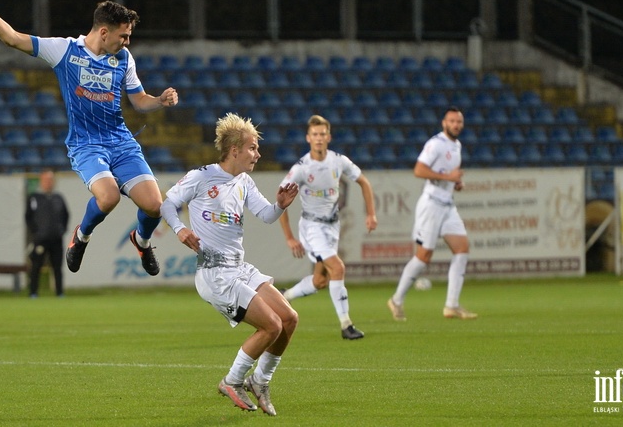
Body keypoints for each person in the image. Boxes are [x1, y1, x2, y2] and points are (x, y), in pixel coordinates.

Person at [0, 0, 178, 277]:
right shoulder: (64, 50)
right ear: (103, 32)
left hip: (121, 142)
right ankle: (81, 238)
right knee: (109, 197)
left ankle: (142, 240)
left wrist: (160, 100)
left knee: (154, 206)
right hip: (86, 145)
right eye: (123, 36)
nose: (127, 42)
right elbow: (12, 38)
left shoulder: (124, 59)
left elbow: (139, 101)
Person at [160, 113, 299, 416]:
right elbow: (167, 203)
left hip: (240, 268)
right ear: (234, 150)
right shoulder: (201, 176)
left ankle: (259, 381)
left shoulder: (244, 181)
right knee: (271, 325)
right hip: (215, 273)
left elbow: (265, 215)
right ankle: (232, 381)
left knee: (288, 319)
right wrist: (180, 229)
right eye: (252, 148)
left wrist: (280, 206)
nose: (257, 154)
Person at [278, 114, 377, 340]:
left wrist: (371, 214)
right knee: (338, 268)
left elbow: (364, 182)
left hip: (333, 225)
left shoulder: (338, 161)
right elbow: (280, 201)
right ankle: (346, 325)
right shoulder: (302, 168)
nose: (319, 138)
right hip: (312, 227)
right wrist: (290, 238)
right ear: (308, 138)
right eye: (315, 135)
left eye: (322, 134)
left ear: (329, 137)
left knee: (320, 280)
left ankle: (285, 295)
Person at [387, 107, 478, 321]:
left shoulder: (456, 145)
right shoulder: (435, 144)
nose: (456, 125)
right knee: (424, 256)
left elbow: (447, 175)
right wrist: (448, 177)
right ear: (444, 123)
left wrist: (455, 182)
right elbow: (419, 170)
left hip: (447, 205)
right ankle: (396, 300)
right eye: (452, 121)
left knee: (462, 249)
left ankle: (452, 306)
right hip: (431, 205)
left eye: (459, 122)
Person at [25, 169, 70, 297]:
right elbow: (28, 217)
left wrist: (62, 230)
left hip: (56, 238)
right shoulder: (34, 198)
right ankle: (33, 292)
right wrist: (36, 231)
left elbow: (66, 215)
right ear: (41, 181)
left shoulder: (58, 198)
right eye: (46, 180)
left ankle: (59, 292)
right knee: (36, 266)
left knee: (57, 267)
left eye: (51, 180)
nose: (48, 183)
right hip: (40, 238)